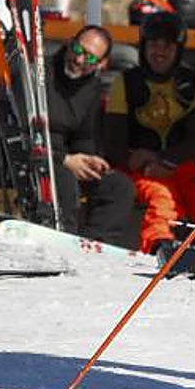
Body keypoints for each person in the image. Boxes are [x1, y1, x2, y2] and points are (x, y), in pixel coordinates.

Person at [103, 11, 195, 254]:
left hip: (179, 164)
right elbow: (113, 142)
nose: (160, 52)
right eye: (154, 44)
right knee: (162, 196)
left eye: (167, 46)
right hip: (136, 168)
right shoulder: (125, 83)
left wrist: (165, 160)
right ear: (143, 47)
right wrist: (139, 161)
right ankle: (159, 247)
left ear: (177, 50)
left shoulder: (192, 82)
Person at [48, 25, 139, 242]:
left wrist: (89, 159)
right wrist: (65, 159)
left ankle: (96, 243)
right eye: (78, 51)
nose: (79, 61)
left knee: (120, 187)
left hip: (67, 159)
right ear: (70, 43)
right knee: (65, 180)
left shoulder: (91, 87)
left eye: (89, 59)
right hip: (34, 158)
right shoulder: (41, 73)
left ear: (101, 64)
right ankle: (64, 241)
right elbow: (20, 131)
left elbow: (84, 137)